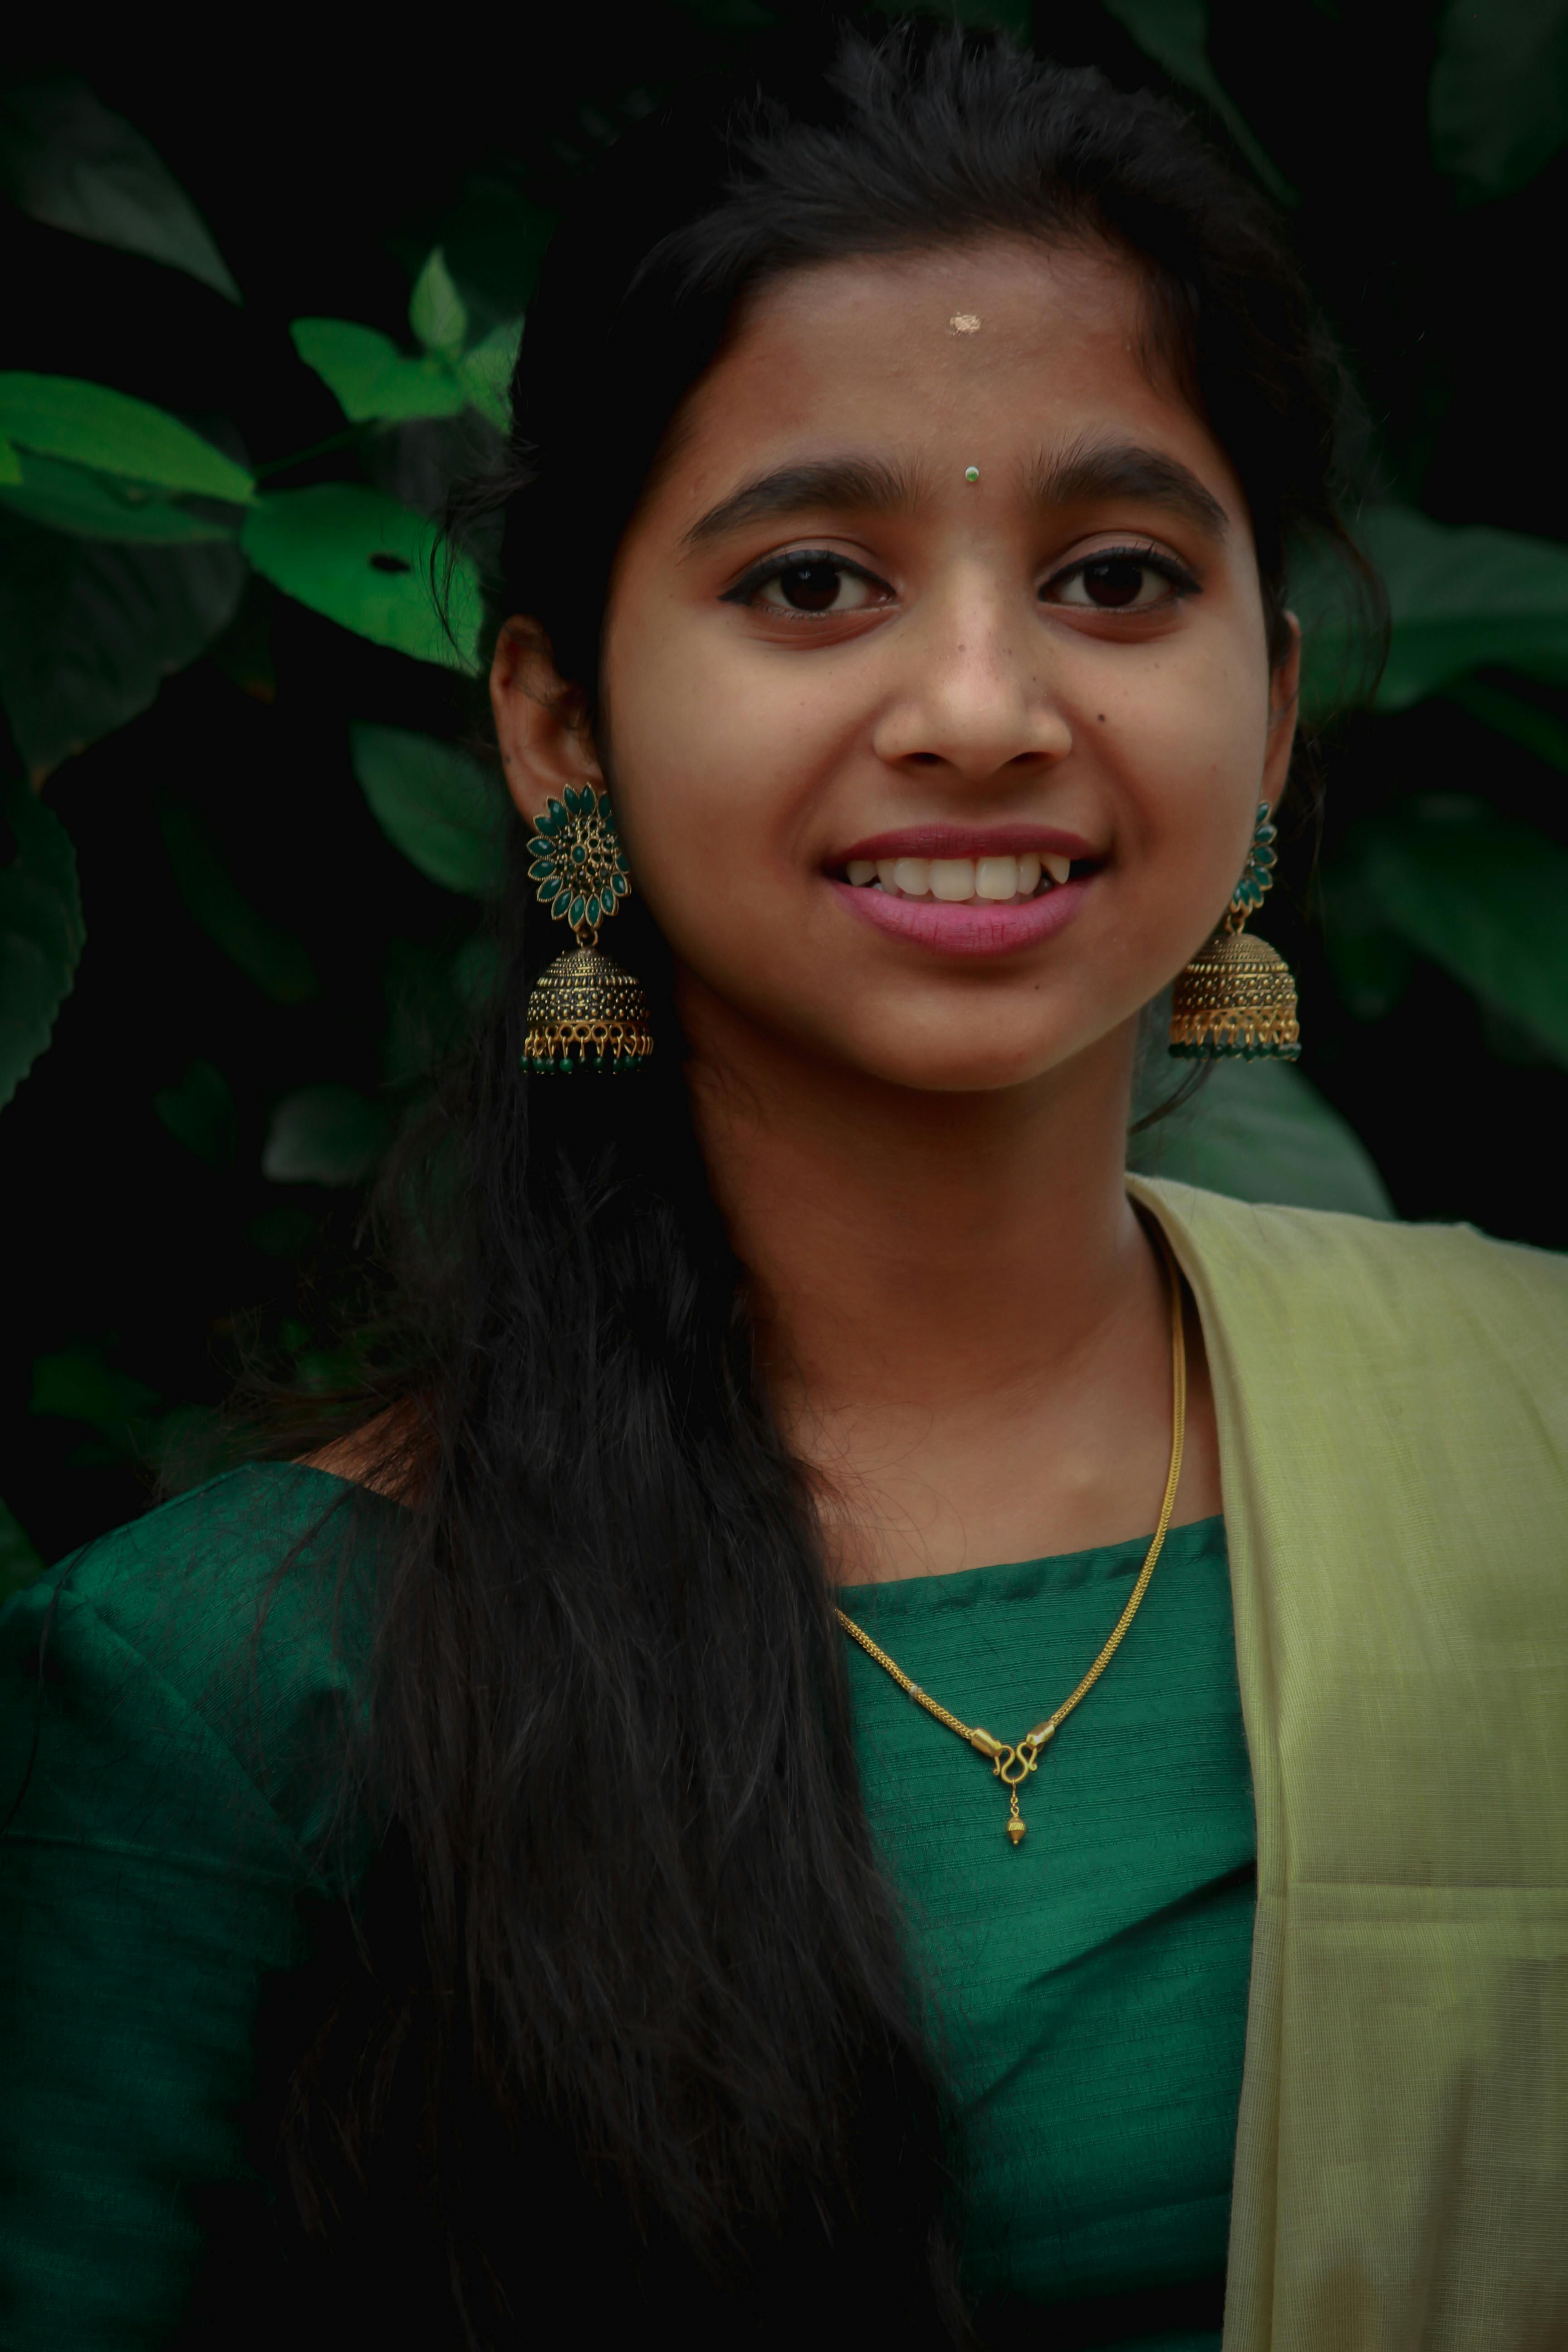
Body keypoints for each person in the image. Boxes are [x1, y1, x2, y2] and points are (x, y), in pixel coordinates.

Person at [3, 22, 1564, 2351]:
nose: (980, 702)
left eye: (1119, 577)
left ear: (1278, 707)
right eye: (817, 580)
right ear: (555, 727)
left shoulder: (1527, 1443)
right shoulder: (239, 1691)